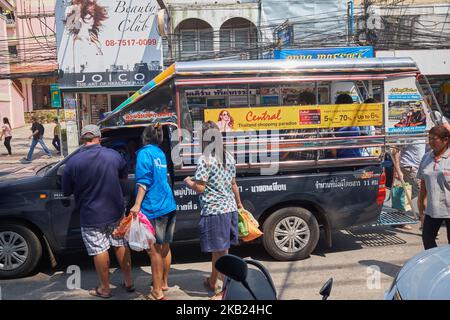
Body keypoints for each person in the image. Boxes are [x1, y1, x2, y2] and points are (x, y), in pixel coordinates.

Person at [62, 125, 134, 298]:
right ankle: (129, 281)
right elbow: (123, 176)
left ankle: (105, 288)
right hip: (115, 211)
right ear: (99, 138)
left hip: (91, 214)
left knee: (98, 249)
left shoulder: (72, 162)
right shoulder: (113, 155)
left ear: (82, 139)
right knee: (120, 244)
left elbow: (66, 191)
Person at [184, 121, 243, 299]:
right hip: (229, 209)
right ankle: (212, 281)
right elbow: (234, 184)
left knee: (221, 253)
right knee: (220, 251)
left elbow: (200, 188)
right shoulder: (229, 157)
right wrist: (239, 205)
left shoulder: (205, 159)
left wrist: (188, 182)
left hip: (215, 211)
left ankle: (223, 291)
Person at [130, 123, 177, 300]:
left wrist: (136, 204)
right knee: (165, 246)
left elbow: (143, 181)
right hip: (168, 204)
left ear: (144, 137)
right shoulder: (160, 153)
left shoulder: (144, 153)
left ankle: (156, 291)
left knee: (155, 250)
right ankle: (163, 283)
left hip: (154, 206)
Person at [417, 125, 450, 249]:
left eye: (434, 139)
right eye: (429, 138)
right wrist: (421, 210)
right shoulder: (426, 157)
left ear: (445, 140)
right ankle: (437, 266)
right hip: (432, 209)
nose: (430, 142)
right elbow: (423, 185)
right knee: (427, 239)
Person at [391, 135, 426, 230]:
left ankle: (399, 217)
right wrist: (397, 170)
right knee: (423, 193)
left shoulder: (423, 128)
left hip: (419, 167)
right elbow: (395, 149)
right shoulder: (411, 131)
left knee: (407, 193)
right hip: (410, 167)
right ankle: (425, 224)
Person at [332, 94, 362, 158]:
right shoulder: (354, 121)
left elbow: (333, 148)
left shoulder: (347, 125)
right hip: (356, 157)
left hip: (343, 159)